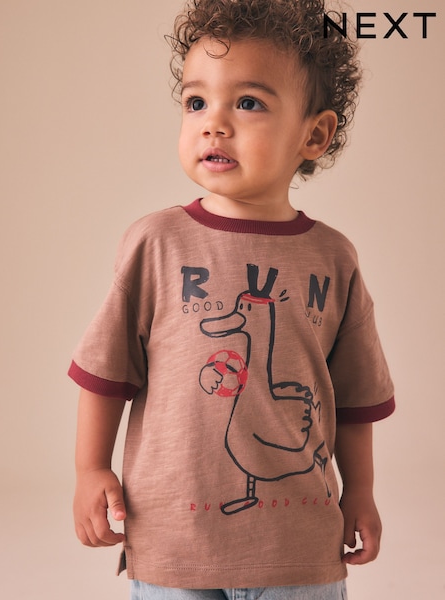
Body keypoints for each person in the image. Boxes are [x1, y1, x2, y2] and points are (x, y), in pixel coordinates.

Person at [69, 1, 395, 598]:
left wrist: (362, 492)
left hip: (300, 547)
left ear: (314, 135)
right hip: (174, 545)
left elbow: (354, 398)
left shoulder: (334, 258)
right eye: (196, 103)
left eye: (247, 103)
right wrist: (90, 468)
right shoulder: (155, 243)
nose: (213, 124)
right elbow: (106, 372)